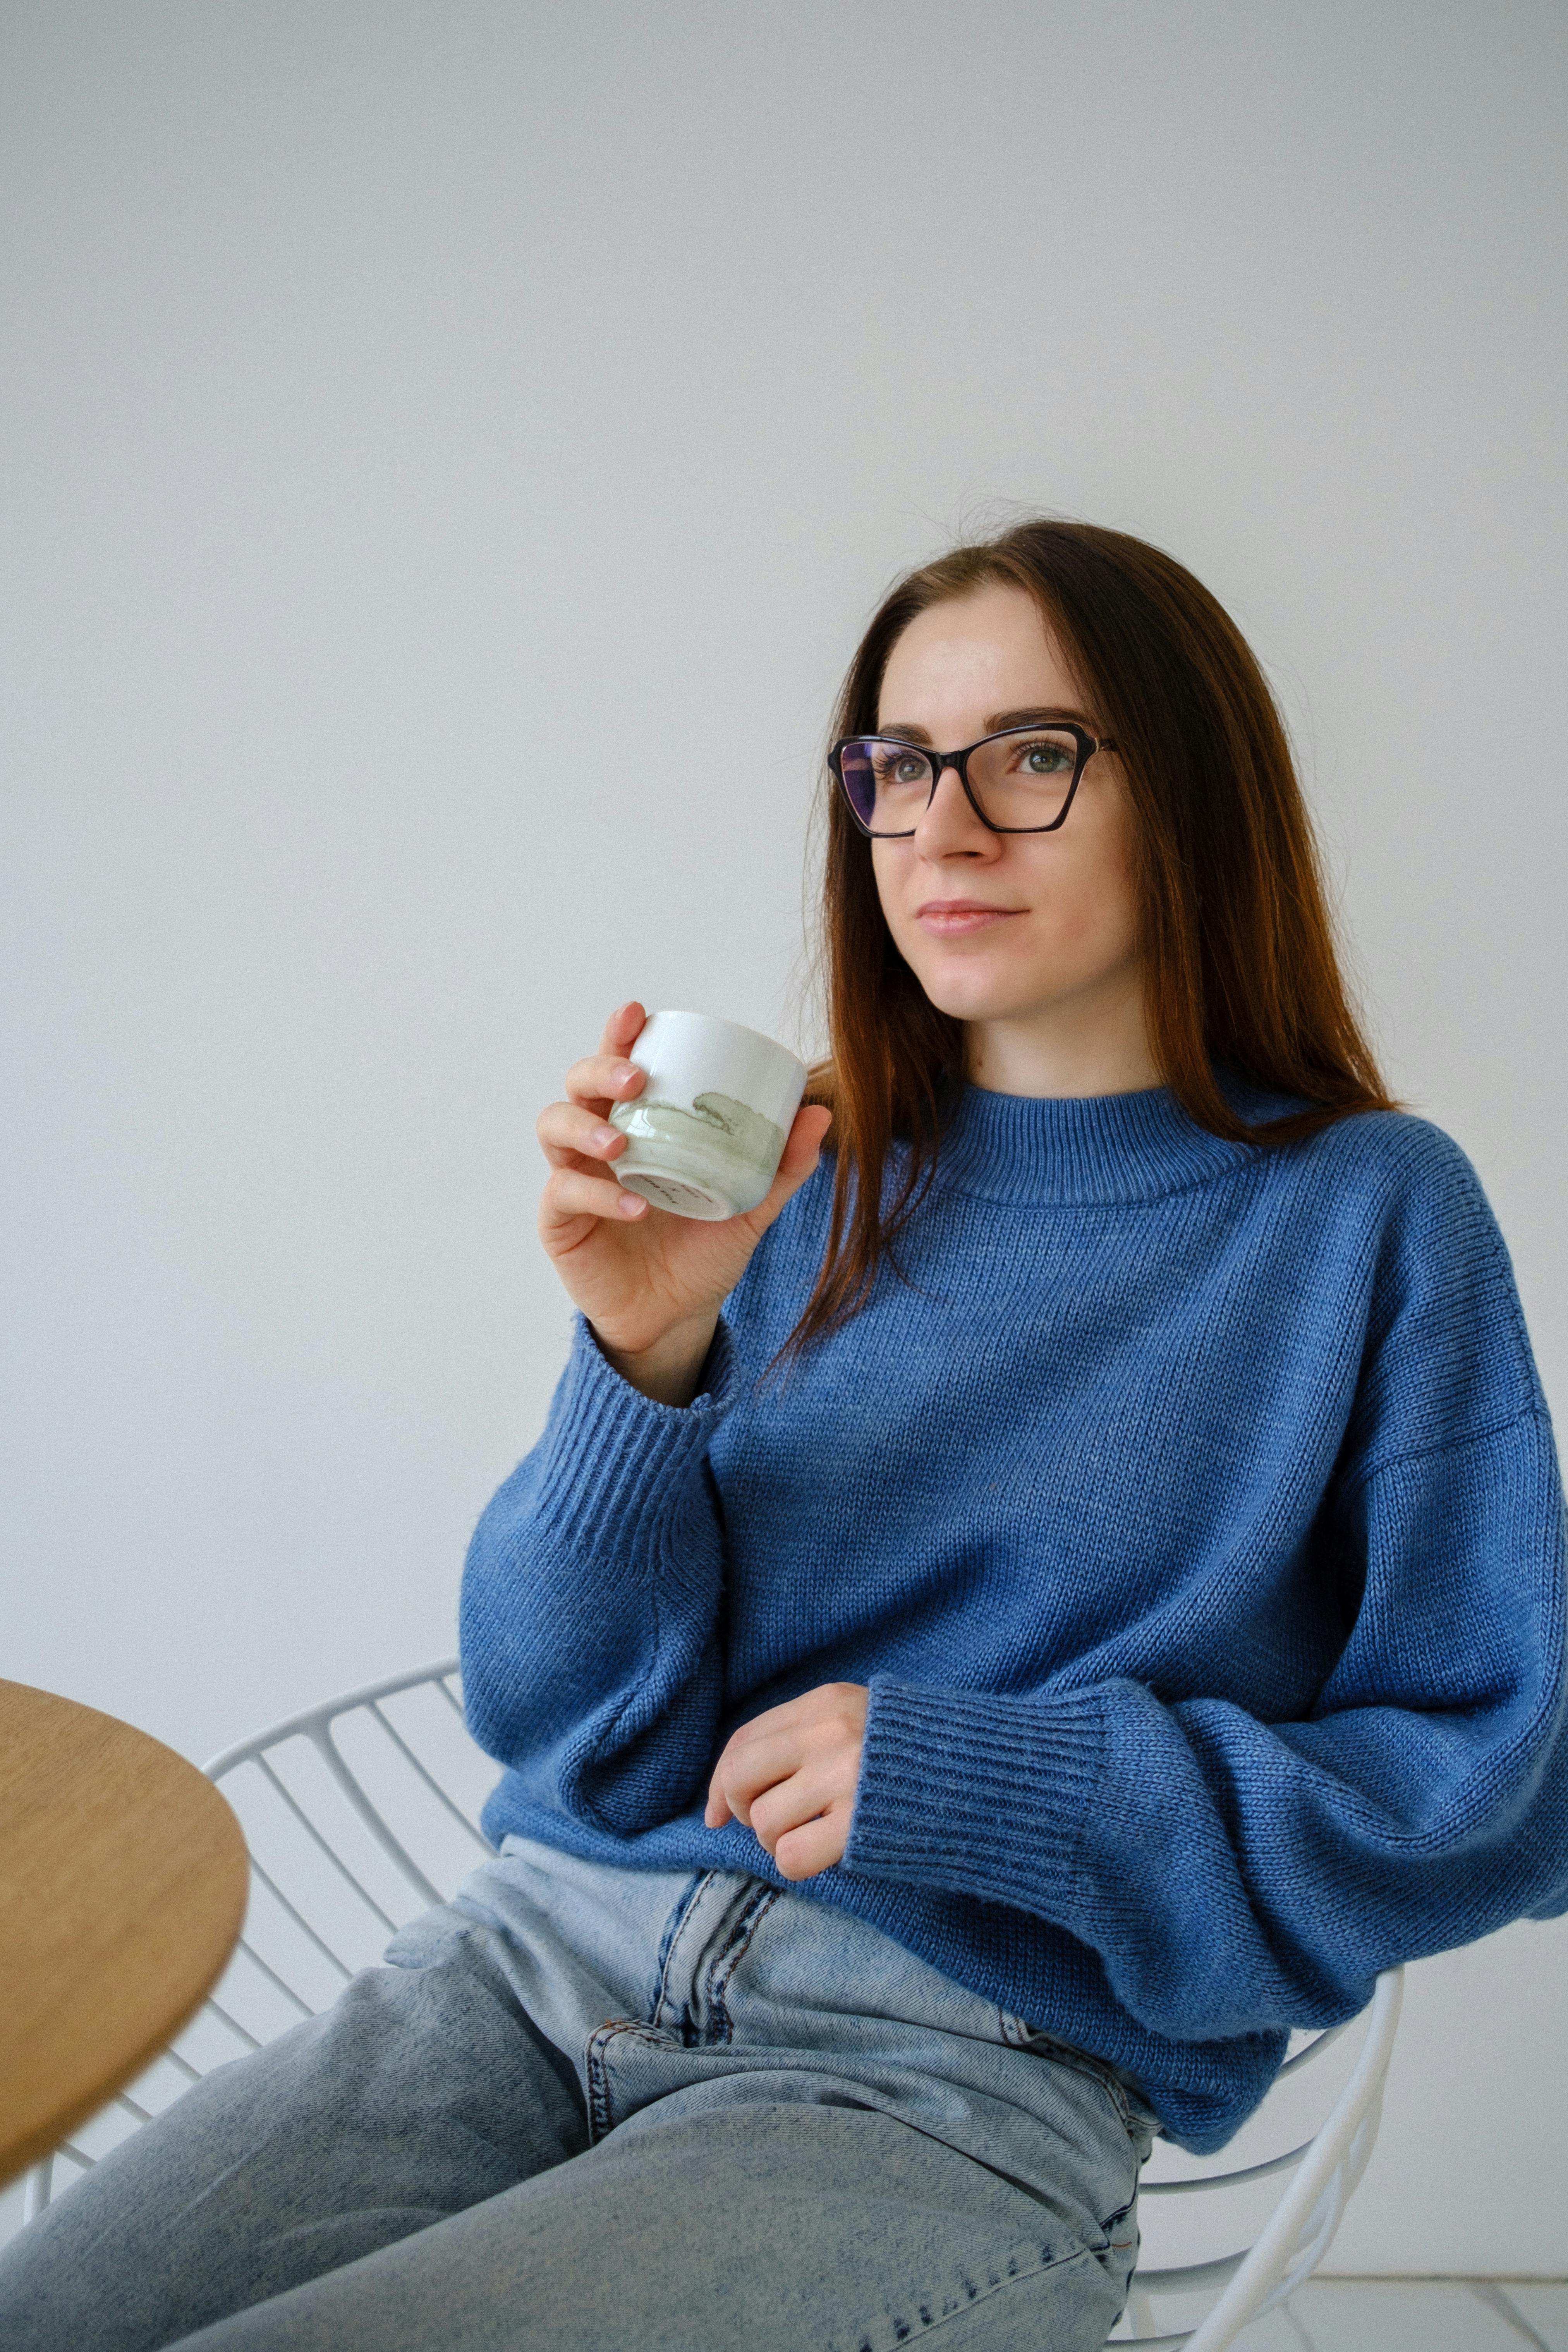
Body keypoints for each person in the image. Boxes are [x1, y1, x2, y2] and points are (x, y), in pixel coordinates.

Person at [3, 519, 1565, 2352]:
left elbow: (1497, 1787)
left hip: (941, 2092)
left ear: (1198, 788)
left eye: (1030, 756)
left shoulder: (1363, 1217)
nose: (940, 827)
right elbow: (564, 1721)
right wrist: (636, 1356)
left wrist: (994, 1780)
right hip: (529, 1964)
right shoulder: (791, 1173)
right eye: (896, 766)